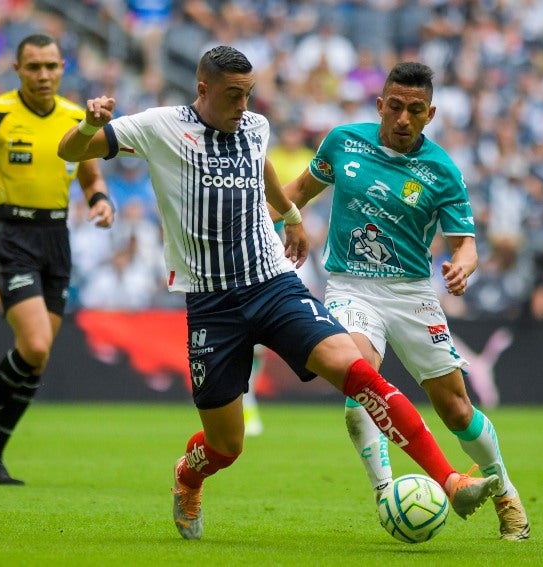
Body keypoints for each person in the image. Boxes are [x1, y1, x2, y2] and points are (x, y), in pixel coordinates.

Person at [58, 45, 499, 540]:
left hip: (272, 282)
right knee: (226, 446)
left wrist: (289, 216)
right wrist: (90, 126)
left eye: (249, 94)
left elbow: (260, 164)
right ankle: (188, 476)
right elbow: (69, 153)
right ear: (203, 89)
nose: (243, 106)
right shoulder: (159, 126)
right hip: (212, 302)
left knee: (358, 374)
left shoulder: (253, 125)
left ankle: (451, 478)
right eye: (233, 95)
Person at [283, 61, 531, 541]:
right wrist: (269, 223)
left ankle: (505, 491)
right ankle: (386, 494)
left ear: (430, 113)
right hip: (352, 286)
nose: (402, 118)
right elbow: (297, 192)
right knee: (360, 384)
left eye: (414, 110)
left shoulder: (441, 170)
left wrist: (464, 265)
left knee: (457, 410)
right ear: (380, 104)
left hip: (413, 294)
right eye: (394, 107)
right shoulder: (343, 142)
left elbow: (466, 244)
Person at [0, 34, 114, 486]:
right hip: (11, 234)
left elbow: (90, 173)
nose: (43, 75)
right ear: (17, 69)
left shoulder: (77, 117)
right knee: (34, 344)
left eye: (51, 66)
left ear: (62, 68)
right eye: (33, 66)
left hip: (56, 236)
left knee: (37, 358)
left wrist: (100, 200)